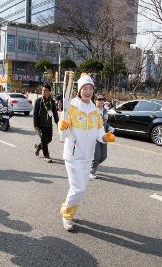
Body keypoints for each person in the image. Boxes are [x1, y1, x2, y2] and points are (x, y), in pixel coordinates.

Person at [58, 75, 116, 231]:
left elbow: (99, 134)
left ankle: (72, 210)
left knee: (80, 189)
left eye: (90, 88)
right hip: (73, 155)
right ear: (79, 90)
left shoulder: (95, 111)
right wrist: (62, 126)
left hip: (88, 157)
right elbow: (63, 130)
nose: (88, 91)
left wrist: (106, 137)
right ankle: (66, 214)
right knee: (78, 189)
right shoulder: (71, 107)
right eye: (85, 88)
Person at [90, 94, 114, 179]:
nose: (100, 101)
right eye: (99, 100)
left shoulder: (105, 111)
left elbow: (105, 122)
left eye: (102, 100)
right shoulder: (92, 111)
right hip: (94, 136)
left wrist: (109, 127)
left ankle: (90, 165)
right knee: (96, 156)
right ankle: (91, 171)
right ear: (95, 101)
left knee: (103, 156)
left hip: (103, 136)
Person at [33, 84, 59, 163]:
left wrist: (57, 122)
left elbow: (54, 113)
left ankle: (39, 146)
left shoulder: (52, 101)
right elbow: (35, 113)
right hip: (41, 124)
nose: (43, 92)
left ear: (49, 92)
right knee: (44, 139)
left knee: (49, 139)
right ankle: (46, 155)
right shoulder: (38, 101)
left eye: (45, 90)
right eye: (43, 90)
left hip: (49, 124)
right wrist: (35, 125)